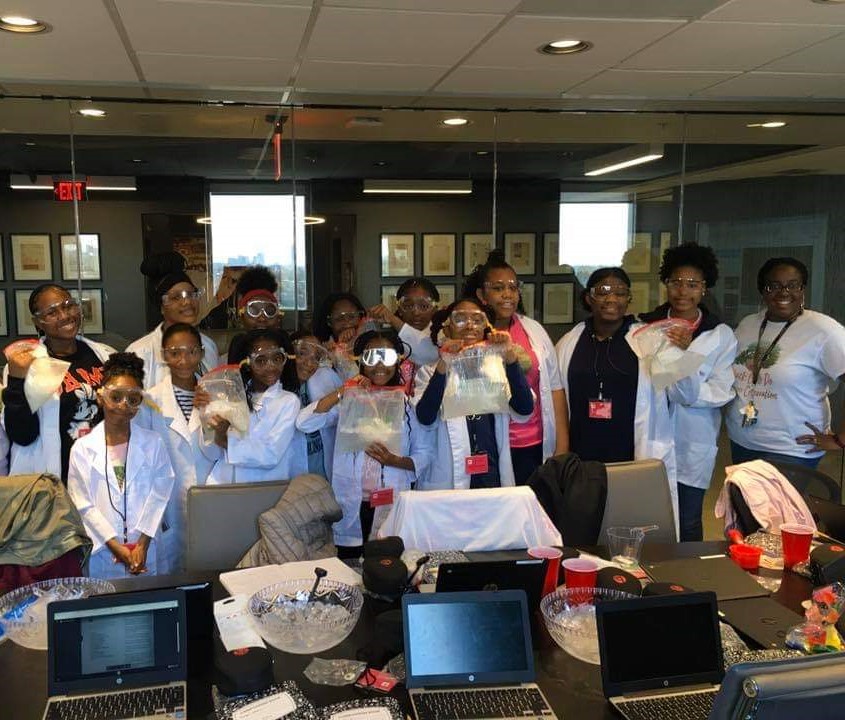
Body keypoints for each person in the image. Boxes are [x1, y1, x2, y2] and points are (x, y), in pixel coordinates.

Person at [555, 268, 677, 531]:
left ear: (629, 300)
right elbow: (556, 399)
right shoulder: (569, 341)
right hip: (583, 455)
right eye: (603, 291)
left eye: (621, 292)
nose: (612, 299)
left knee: (627, 524)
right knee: (582, 525)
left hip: (630, 451)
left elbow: (681, 391)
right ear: (589, 298)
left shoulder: (648, 338)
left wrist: (681, 351)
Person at [639, 244, 737, 541]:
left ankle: (688, 581)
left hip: (694, 440)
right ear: (666, 284)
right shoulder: (645, 326)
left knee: (689, 519)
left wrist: (683, 370)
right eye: (676, 282)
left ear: (705, 288)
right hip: (652, 436)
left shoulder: (719, 334)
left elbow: (721, 390)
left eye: (693, 284)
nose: (683, 291)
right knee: (648, 515)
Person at [728, 257, 845, 468]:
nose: (784, 292)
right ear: (762, 291)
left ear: (803, 289)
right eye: (774, 286)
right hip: (742, 441)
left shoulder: (824, 330)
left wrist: (839, 440)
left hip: (791, 449)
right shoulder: (747, 325)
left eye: (793, 285)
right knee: (742, 501)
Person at [67, 353, 175, 578]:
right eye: (115, 396)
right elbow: (83, 505)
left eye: (132, 399)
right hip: (104, 551)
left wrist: (142, 544)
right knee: (108, 606)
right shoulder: (82, 448)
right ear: (100, 397)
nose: (123, 406)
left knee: (150, 604)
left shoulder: (153, 443)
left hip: (146, 547)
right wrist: (114, 545)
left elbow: (160, 494)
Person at [466, 250, 569, 484]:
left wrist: (562, 445)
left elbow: (554, 387)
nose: (508, 295)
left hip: (535, 443)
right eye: (498, 288)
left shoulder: (533, 330)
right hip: (490, 445)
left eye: (513, 287)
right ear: (482, 294)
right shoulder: (471, 335)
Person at [331, 329, 434, 557]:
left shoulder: (406, 404)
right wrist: (343, 390)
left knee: (386, 564)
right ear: (360, 362)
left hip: (391, 498)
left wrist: (393, 460)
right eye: (370, 357)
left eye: (386, 357)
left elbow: (425, 453)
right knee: (349, 561)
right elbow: (306, 421)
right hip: (352, 499)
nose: (379, 364)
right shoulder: (348, 399)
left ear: (398, 360)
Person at [414, 297, 534, 490]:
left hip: (491, 473)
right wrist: (445, 362)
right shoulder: (431, 371)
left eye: (477, 320)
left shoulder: (497, 368)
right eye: (460, 319)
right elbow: (425, 417)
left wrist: (509, 354)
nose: (469, 326)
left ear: (485, 327)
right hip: (449, 478)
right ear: (446, 328)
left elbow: (525, 408)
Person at [2, 284, 115, 481]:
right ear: (38, 322)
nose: (64, 315)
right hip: (58, 476)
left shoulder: (105, 355)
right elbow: (22, 434)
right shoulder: (27, 364)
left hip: (102, 469)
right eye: (52, 312)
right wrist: (16, 380)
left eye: (68, 305)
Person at [135, 323, 214, 573]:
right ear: (164, 355)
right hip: (168, 500)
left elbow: (226, 447)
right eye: (175, 352)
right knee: (174, 572)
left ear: (201, 353)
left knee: (211, 568)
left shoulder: (216, 393)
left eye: (191, 351)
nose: (184, 360)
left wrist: (209, 413)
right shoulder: (150, 401)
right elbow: (142, 459)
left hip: (210, 494)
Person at [200, 329, 300, 484]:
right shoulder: (229, 396)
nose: (270, 366)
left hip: (262, 488)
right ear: (247, 364)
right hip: (222, 485)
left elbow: (271, 454)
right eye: (260, 360)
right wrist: (213, 430)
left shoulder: (288, 401)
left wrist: (226, 439)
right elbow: (211, 452)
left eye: (277, 358)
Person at [127, 270, 219, 388]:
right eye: (176, 297)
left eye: (191, 294)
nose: (187, 302)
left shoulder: (209, 345)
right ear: (162, 308)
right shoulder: (139, 352)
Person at [287, 333, 344, 481]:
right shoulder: (276, 391)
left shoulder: (325, 378)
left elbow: (343, 410)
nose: (310, 363)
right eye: (302, 354)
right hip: (292, 478)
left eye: (316, 357)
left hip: (324, 473)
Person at [369, 278, 440, 367]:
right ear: (399, 309)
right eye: (408, 306)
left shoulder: (444, 336)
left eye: (424, 306)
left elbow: (429, 354)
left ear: (435, 309)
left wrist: (393, 319)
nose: (416, 312)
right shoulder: (389, 341)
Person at [225, 266, 287, 362]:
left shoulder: (288, 353)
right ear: (242, 316)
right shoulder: (226, 359)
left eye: (269, 312)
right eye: (253, 311)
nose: (262, 318)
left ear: (278, 317)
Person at [314, 292, 367, 380]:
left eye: (351, 317)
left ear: (360, 317)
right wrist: (342, 350)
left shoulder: (372, 343)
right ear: (329, 322)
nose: (347, 323)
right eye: (339, 319)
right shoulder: (323, 350)